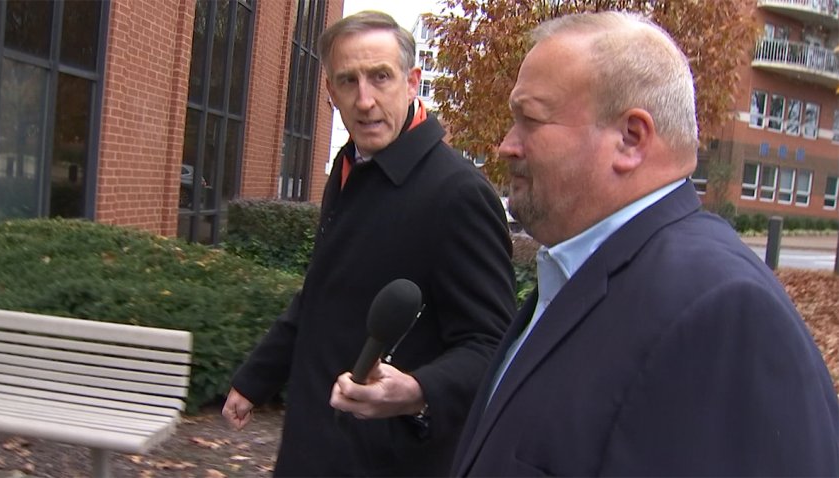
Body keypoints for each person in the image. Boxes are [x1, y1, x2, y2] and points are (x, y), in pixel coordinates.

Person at [451, 11, 839, 476]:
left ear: (631, 139)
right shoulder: (585, 268)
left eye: (529, 120)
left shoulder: (720, 310)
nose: (506, 146)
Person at [222, 10, 516, 477]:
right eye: (348, 81)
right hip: (312, 442)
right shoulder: (349, 168)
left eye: (380, 77)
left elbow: (492, 345)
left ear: (412, 80)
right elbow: (321, 291)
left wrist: (416, 390)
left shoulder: (457, 194)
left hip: (386, 459)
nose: (364, 100)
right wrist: (256, 378)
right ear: (329, 93)